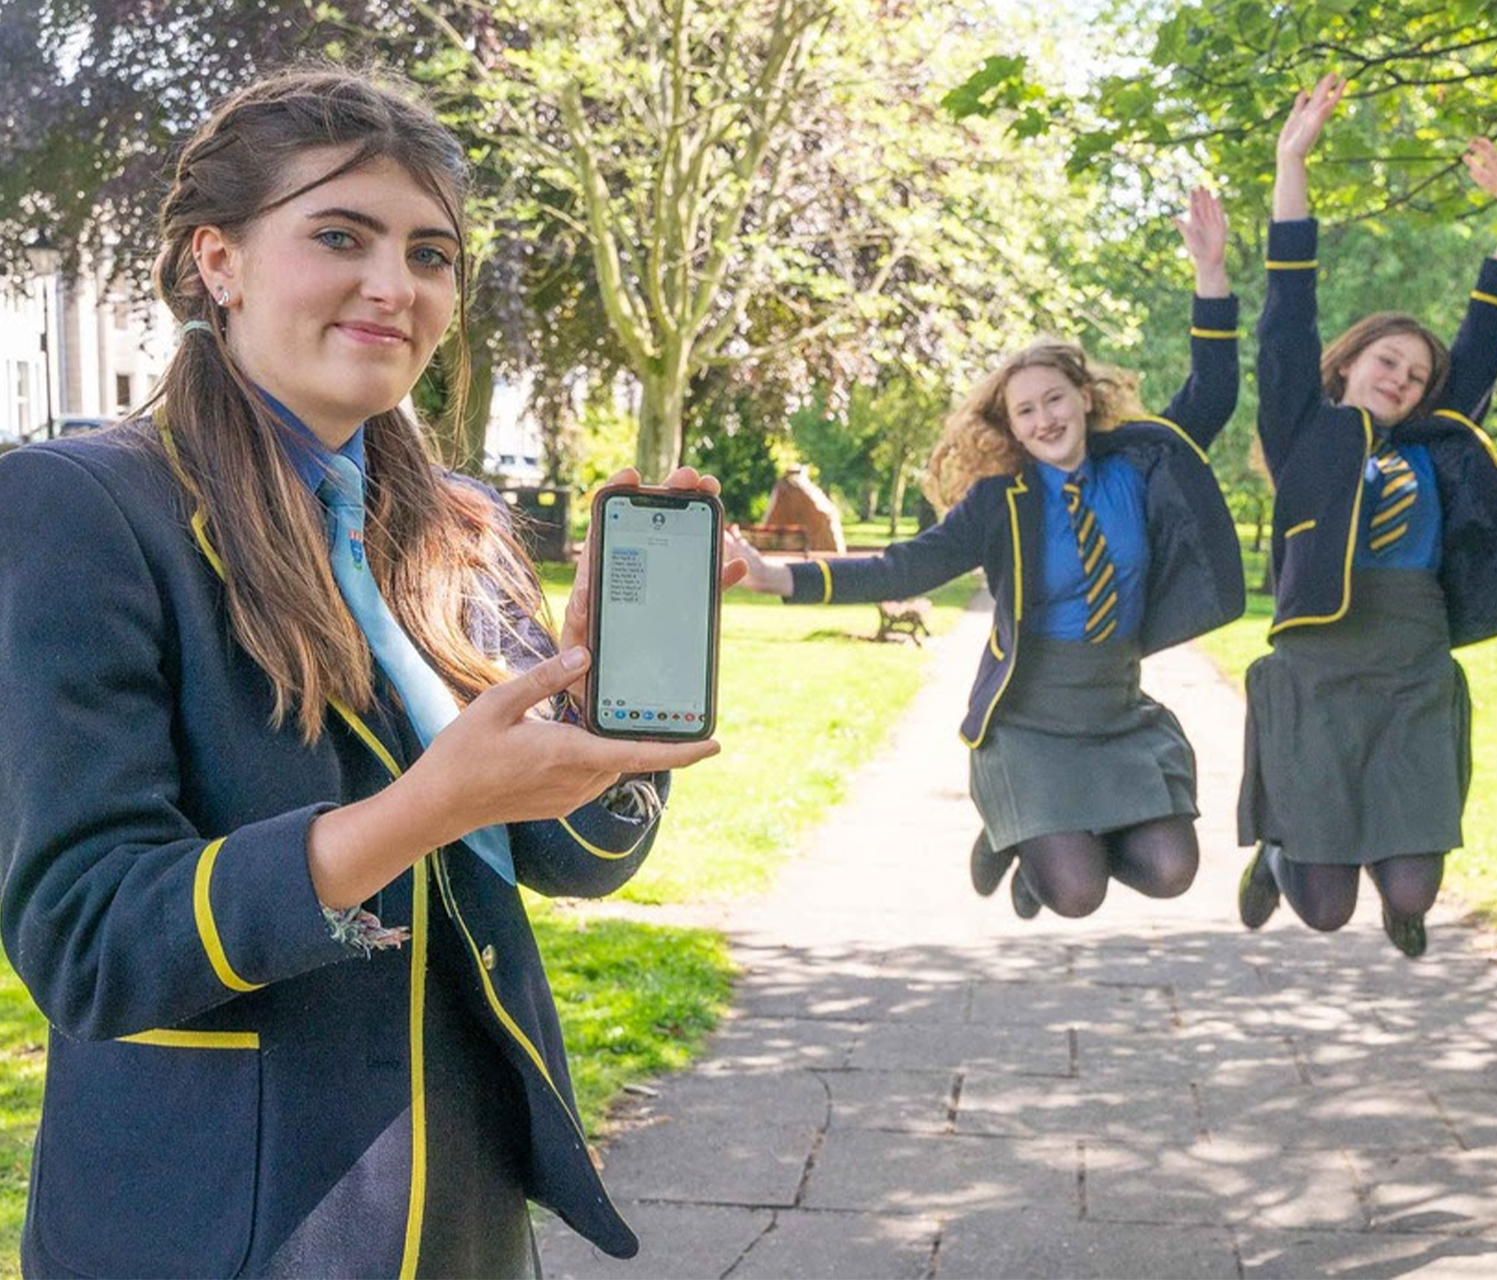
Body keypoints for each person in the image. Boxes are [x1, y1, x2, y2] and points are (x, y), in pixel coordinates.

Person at [0, 69, 739, 1276]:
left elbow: (577, 856)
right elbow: (87, 935)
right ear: (219, 262)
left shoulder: (458, 524)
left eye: (431, 254)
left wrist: (602, 685)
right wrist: (422, 808)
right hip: (222, 1223)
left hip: (462, 1203)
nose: (395, 286)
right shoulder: (81, 507)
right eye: (339, 236)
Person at [725, 188, 1243, 920]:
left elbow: (1215, 394)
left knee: (1170, 872)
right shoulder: (1002, 502)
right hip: (1031, 719)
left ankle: (1035, 833)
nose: (1045, 418)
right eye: (1026, 410)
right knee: (1076, 895)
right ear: (1011, 426)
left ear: (1085, 398)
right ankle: (1026, 839)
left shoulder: (1143, 465)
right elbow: (900, 568)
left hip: (1115, 708)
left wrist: (1211, 275)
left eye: (1055, 399)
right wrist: (779, 576)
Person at [1235, 75, 1497, 956]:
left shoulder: (1439, 444)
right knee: (1326, 911)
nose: (1402, 378)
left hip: (1412, 668)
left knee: (1413, 887)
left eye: (1416, 373)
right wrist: (1292, 164)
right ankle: (1282, 844)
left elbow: (1485, 337)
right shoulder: (1306, 429)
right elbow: (1285, 316)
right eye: (1388, 360)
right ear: (1348, 365)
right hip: (1321, 668)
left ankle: (1391, 884)